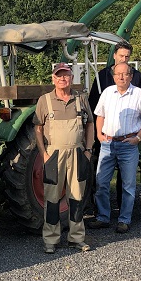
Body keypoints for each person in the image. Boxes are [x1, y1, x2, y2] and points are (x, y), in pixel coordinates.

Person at [34, 62, 95, 254]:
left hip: (77, 153)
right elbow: (38, 128)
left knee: (77, 197)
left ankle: (76, 238)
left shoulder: (81, 98)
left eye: (66, 75)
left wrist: (88, 150)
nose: (62, 78)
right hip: (54, 155)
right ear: (53, 78)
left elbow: (90, 125)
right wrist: (44, 153)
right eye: (58, 75)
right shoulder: (45, 100)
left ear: (71, 77)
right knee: (52, 198)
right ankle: (51, 239)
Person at [88, 62, 141, 234]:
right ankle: (103, 217)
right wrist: (99, 135)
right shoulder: (108, 93)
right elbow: (99, 115)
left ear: (131, 76)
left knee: (128, 185)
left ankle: (124, 220)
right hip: (108, 144)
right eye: (118, 74)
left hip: (128, 144)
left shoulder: (139, 94)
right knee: (101, 182)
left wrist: (138, 138)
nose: (121, 77)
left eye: (125, 74)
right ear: (114, 76)